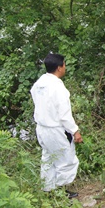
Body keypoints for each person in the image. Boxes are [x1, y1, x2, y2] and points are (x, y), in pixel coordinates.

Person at [30, 53, 82, 198]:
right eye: (64, 65)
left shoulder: (39, 83)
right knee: (67, 161)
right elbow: (64, 115)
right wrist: (75, 131)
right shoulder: (58, 88)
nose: (65, 67)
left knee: (48, 159)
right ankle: (61, 192)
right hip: (55, 129)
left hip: (41, 128)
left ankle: (48, 190)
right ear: (59, 68)